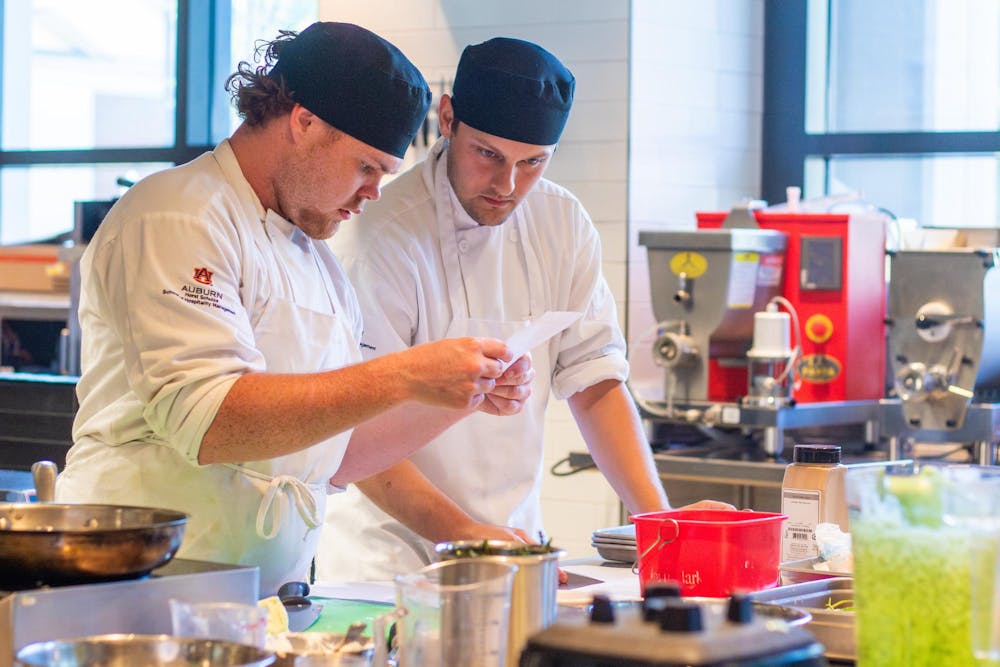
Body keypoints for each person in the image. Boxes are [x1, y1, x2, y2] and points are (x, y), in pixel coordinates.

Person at [55, 22, 533, 596]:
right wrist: (404, 373)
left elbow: (339, 454)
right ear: (303, 122)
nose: (374, 192)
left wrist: (459, 395)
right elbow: (209, 422)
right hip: (143, 585)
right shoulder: (179, 216)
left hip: (256, 595)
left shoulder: (315, 260)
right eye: (366, 167)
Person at [317, 37, 731, 582]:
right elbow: (352, 435)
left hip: (511, 544)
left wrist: (659, 522)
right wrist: (464, 536)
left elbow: (596, 381)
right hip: (390, 558)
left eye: (532, 162)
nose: (507, 185)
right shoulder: (382, 236)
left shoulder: (562, 224)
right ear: (448, 119)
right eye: (487, 154)